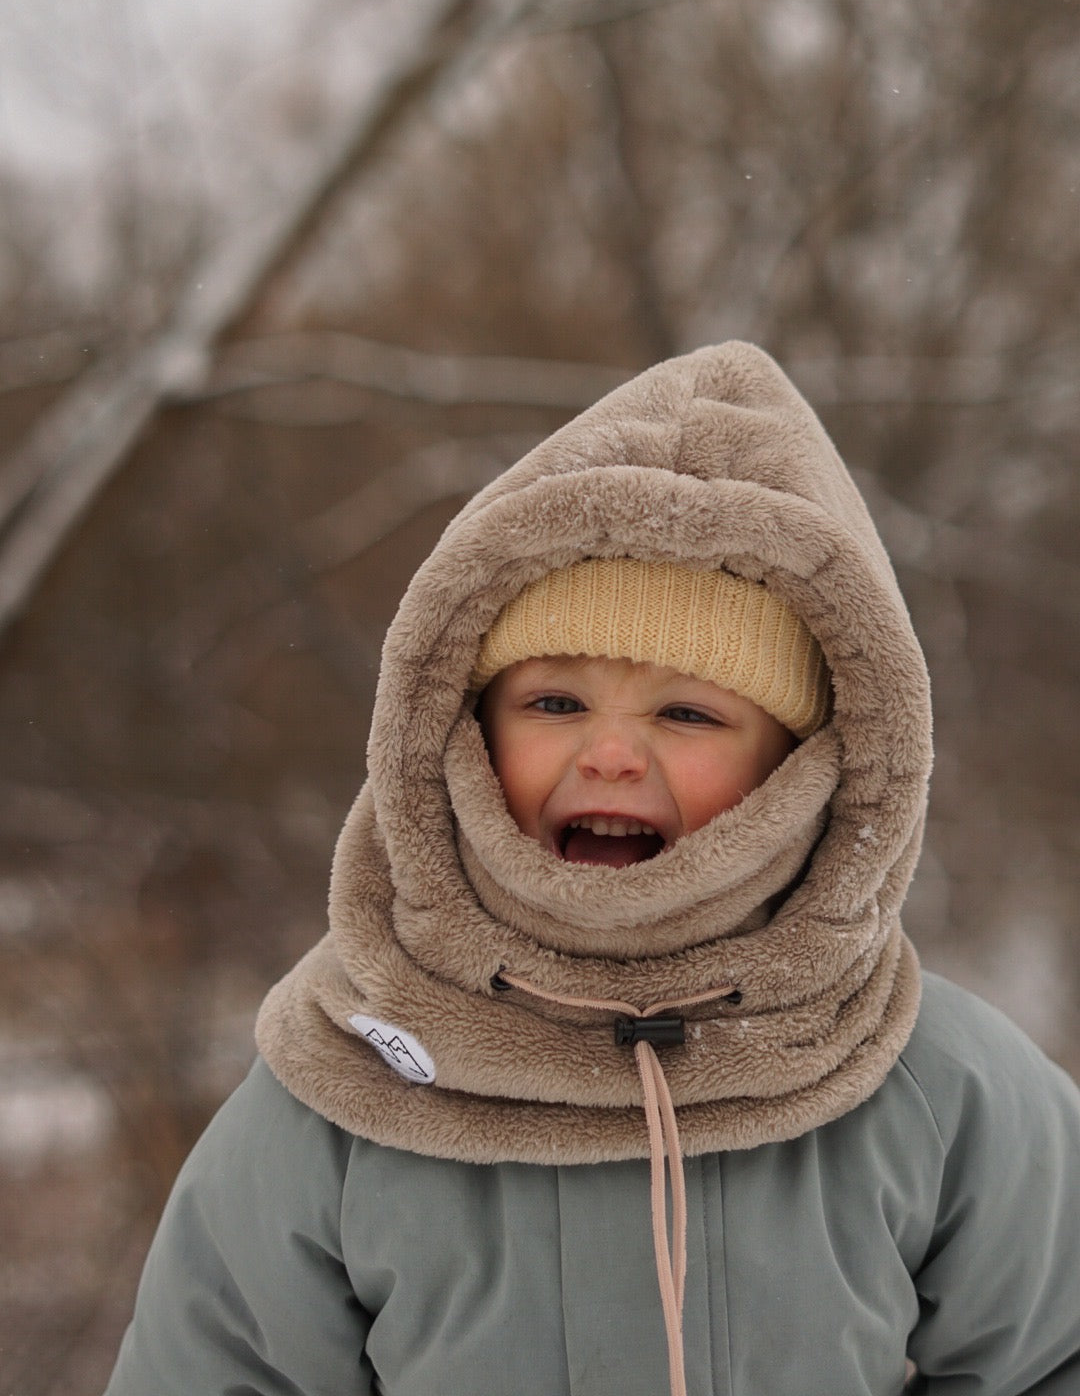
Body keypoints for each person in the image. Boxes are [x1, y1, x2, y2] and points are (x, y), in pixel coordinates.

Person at [104, 342, 1080, 1396]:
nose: (610, 753)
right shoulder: (350, 1086)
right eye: (555, 702)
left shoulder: (931, 1084)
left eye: (688, 711)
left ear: (801, 766)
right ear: (462, 728)